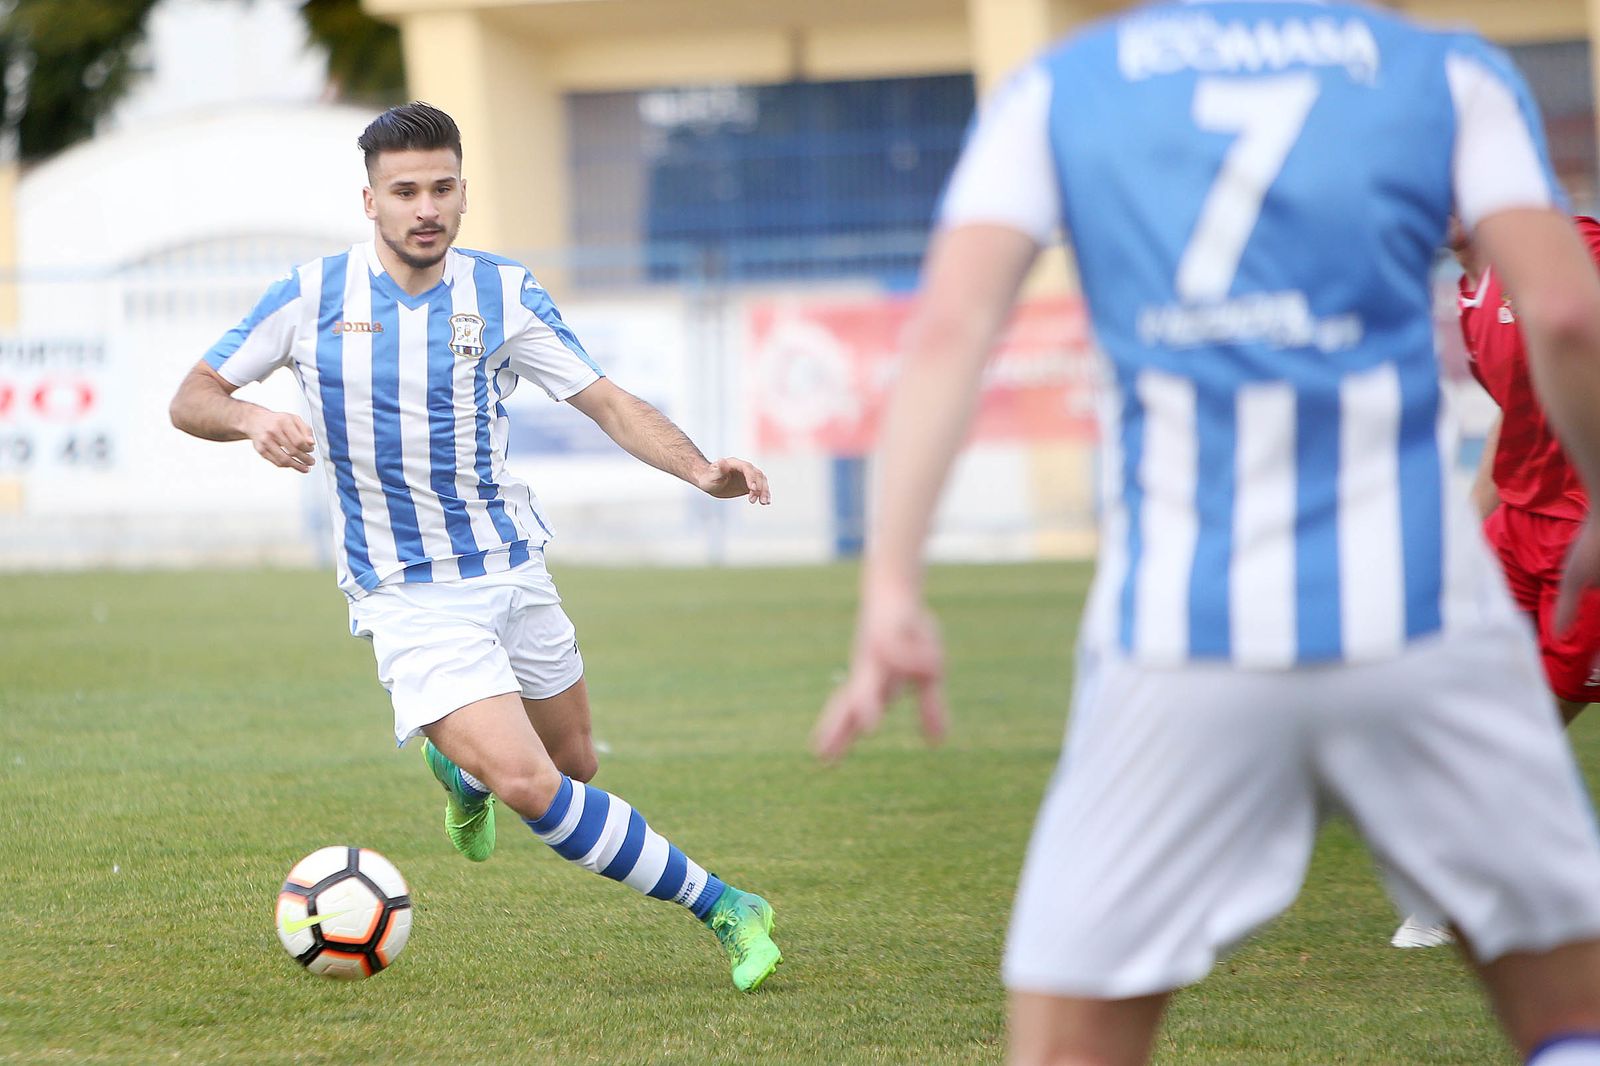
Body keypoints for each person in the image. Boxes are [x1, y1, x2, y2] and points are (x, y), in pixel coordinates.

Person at [813, 3, 1600, 1063]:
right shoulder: (1450, 74)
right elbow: (1568, 314)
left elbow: (950, 330)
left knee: (1068, 1045)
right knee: (1569, 1018)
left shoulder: (1058, 88)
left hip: (1182, 631)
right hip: (1421, 615)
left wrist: (891, 588)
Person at [170, 102, 782, 993]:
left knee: (574, 766)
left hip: (511, 565)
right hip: (406, 591)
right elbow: (192, 396)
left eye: (442, 188)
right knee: (533, 786)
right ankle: (727, 906)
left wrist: (699, 470)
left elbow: (607, 401)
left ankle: (457, 769)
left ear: (464, 194)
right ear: (370, 201)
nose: (426, 208)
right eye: (404, 191)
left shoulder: (502, 293)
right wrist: (253, 417)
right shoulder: (310, 297)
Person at [1393, 215, 1600, 951]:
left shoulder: (1573, 248)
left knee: (1529, 721)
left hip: (1584, 533)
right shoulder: (1470, 291)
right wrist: (1462, 528)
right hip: (1516, 523)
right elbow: (1510, 420)